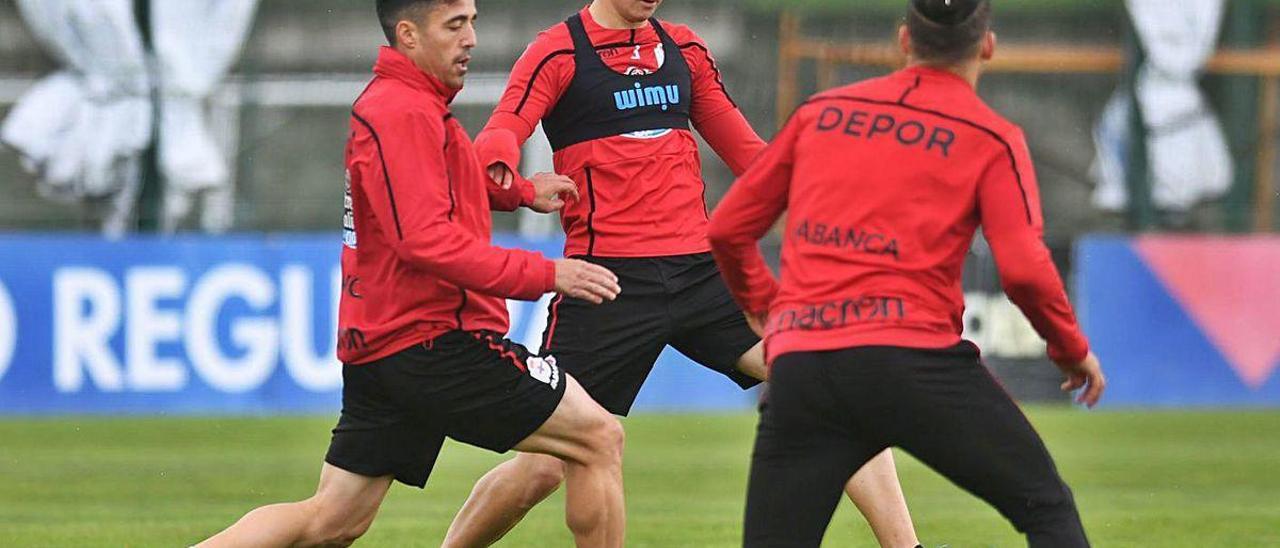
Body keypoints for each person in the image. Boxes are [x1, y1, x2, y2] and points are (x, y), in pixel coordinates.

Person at [443, 0, 919, 547]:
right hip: (608, 284)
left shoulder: (683, 48)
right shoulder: (557, 51)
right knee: (546, 466)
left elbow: (751, 155)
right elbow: (499, 137)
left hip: (703, 273)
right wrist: (517, 181)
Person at [195, 1, 630, 546]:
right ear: (408, 33)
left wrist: (517, 191)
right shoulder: (403, 111)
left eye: (472, 21)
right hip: (433, 342)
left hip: (386, 342)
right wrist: (547, 273)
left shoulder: (406, 104)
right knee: (598, 437)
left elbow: (433, 182)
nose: (471, 37)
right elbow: (425, 239)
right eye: (454, 25)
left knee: (333, 520)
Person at [707, 0, 1108, 546]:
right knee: (1047, 509)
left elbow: (728, 229)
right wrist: (1068, 348)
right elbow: (1024, 270)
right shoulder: (991, 137)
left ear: (903, 40)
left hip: (806, 366)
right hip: (914, 363)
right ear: (986, 45)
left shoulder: (820, 113)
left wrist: (768, 308)